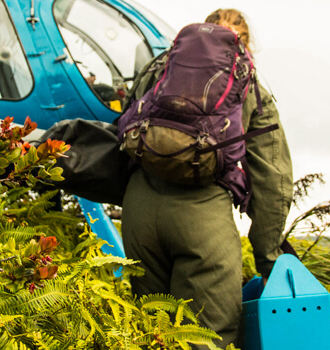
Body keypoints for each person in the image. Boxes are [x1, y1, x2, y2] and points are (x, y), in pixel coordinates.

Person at [120, 8, 293, 348]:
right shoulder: (249, 84)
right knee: (204, 337)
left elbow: (125, 121)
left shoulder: (160, 68)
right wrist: (268, 256)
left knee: (148, 331)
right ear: (242, 47)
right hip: (202, 216)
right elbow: (273, 176)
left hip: (138, 210)